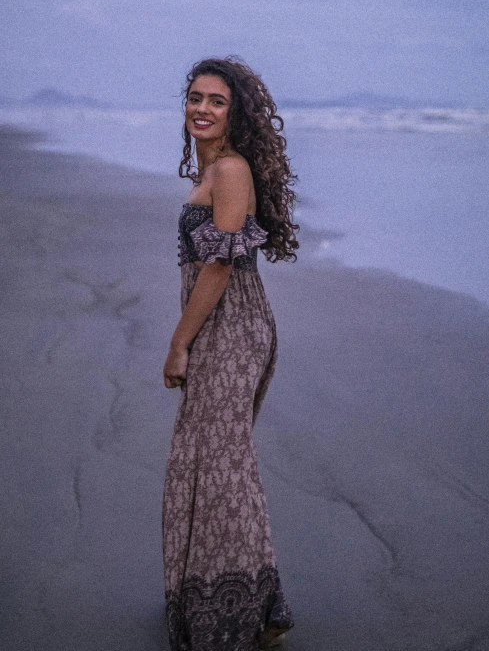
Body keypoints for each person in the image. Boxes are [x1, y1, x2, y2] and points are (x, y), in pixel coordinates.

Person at [162, 57, 299, 651]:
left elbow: (218, 267)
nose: (202, 108)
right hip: (218, 326)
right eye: (195, 97)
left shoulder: (232, 170)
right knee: (209, 466)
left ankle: (245, 616)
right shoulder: (214, 169)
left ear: (235, 113)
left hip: (232, 329)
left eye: (216, 100)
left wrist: (177, 343)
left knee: (224, 470)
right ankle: (244, 610)